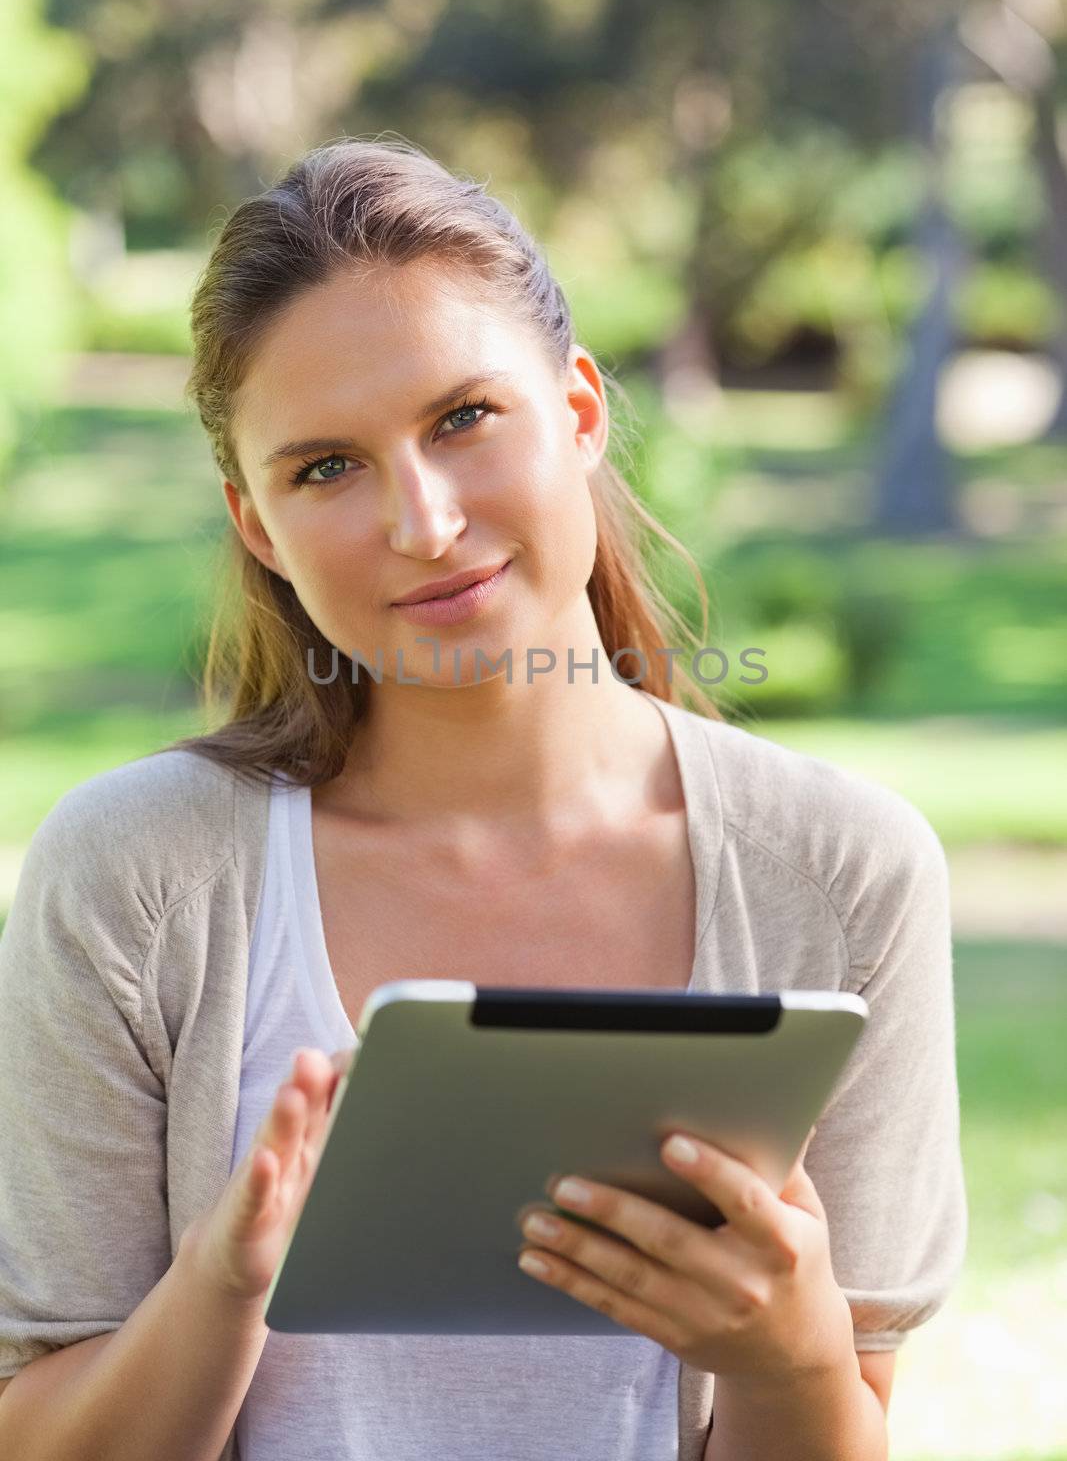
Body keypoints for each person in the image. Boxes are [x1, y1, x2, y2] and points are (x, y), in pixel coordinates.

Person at [0, 136, 967, 1461]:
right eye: (325, 467)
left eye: (463, 418)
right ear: (256, 526)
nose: (425, 521)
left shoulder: (844, 872)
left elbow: (845, 1422)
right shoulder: (130, 875)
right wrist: (223, 1286)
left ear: (577, 411)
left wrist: (788, 1354)